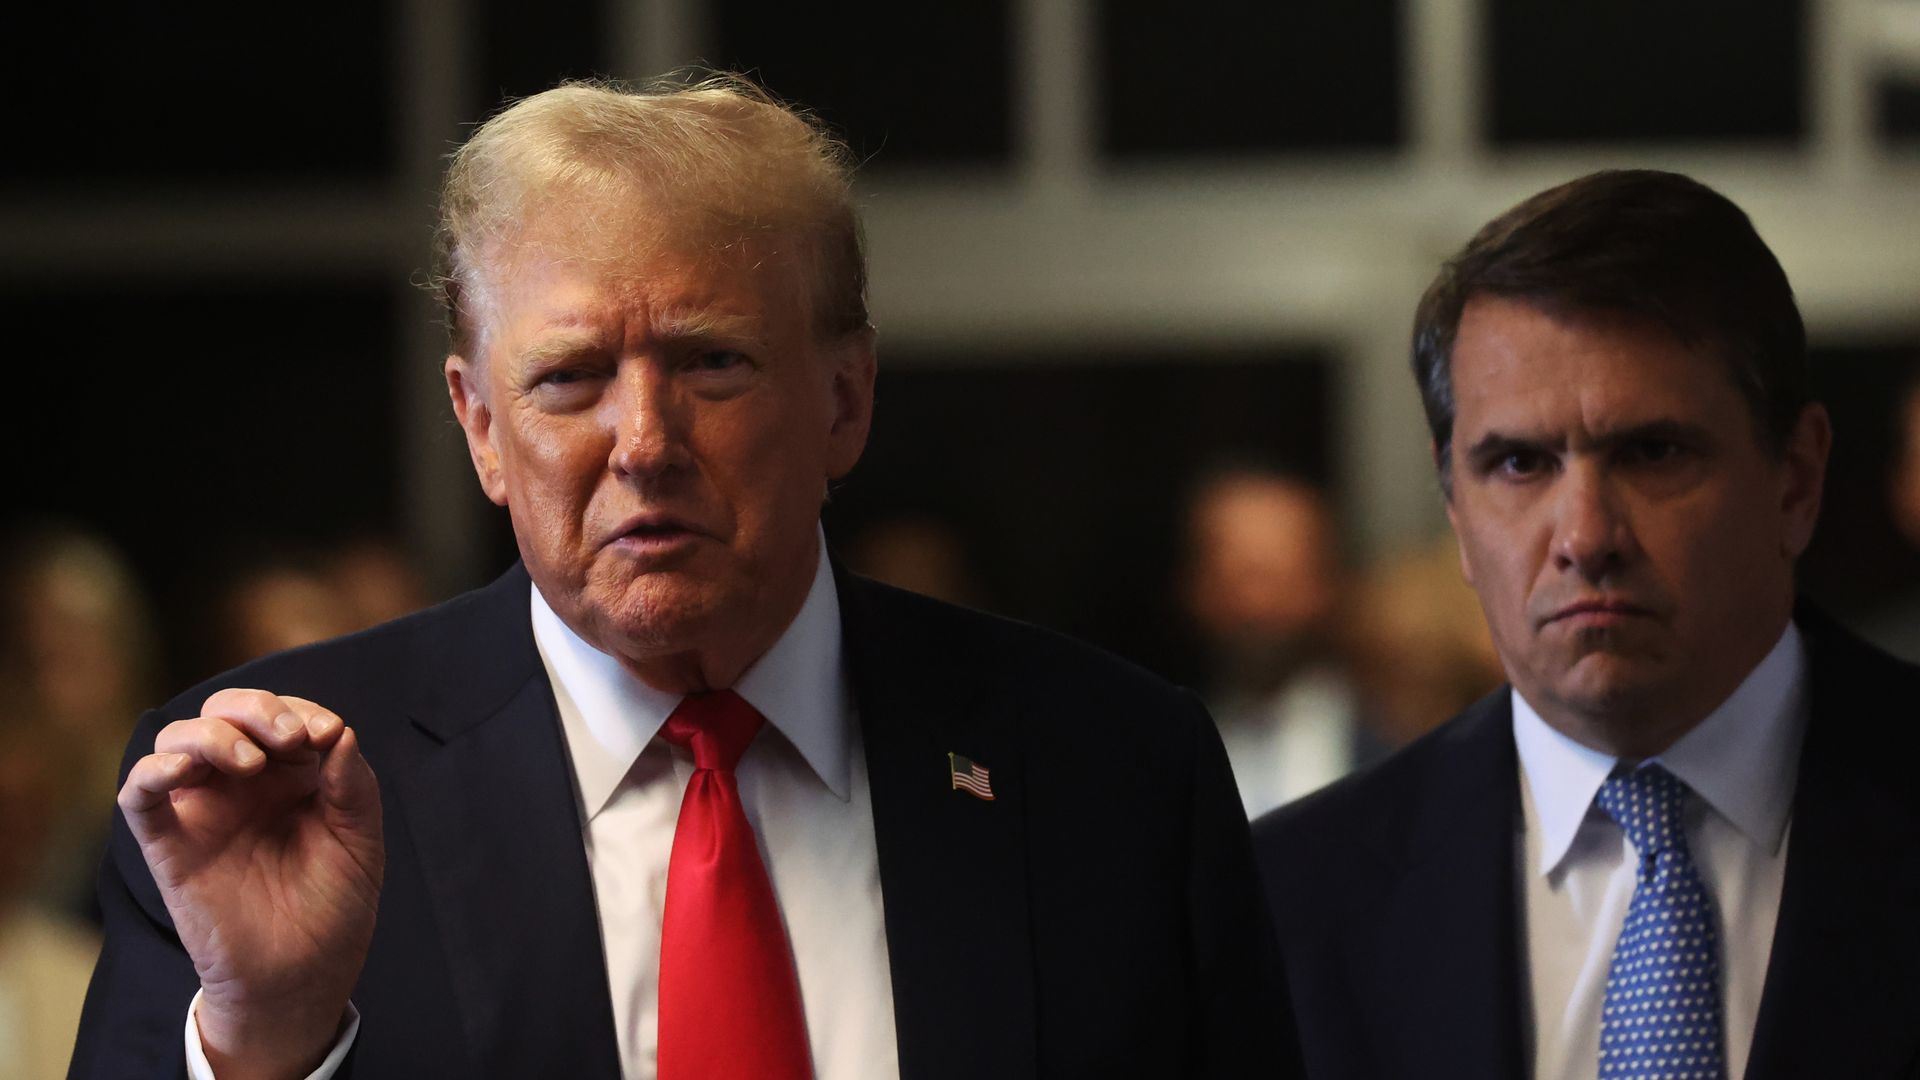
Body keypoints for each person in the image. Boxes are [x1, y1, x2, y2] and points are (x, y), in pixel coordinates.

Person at [70, 76, 1295, 1080]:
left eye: (713, 363)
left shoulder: (1113, 767)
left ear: (845, 400)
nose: (645, 441)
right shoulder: (261, 799)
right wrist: (263, 1043)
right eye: (569, 379)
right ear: (481, 428)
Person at [1253, 169, 1920, 1080]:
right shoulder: (1293, 900)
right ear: (1454, 508)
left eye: (1653, 452)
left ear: (1796, 480)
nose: (1585, 537)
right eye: (1520, 463)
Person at [1177, 465, 1381, 816]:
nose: (1258, 605)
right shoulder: (1156, 759)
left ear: (1330, 582)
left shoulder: (1393, 754)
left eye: (1281, 578)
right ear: (1194, 586)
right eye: (1238, 577)